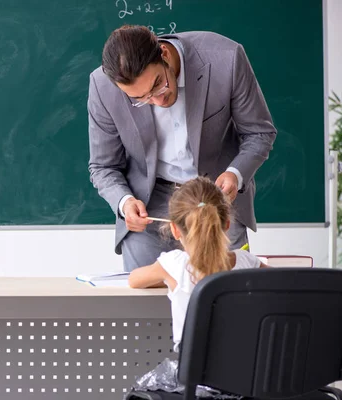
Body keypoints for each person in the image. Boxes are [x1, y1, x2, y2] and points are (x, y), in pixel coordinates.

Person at [87, 25, 277, 272]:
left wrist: (236, 174)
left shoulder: (226, 59)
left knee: (229, 298)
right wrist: (124, 202)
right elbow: (103, 166)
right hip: (149, 207)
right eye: (141, 99)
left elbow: (259, 133)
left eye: (158, 85)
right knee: (145, 304)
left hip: (214, 200)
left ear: (164, 53)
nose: (157, 101)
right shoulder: (102, 87)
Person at [128, 176, 268, 353]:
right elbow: (281, 281)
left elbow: (134, 279)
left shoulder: (173, 264)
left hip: (193, 378)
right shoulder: (247, 262)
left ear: (174, 229)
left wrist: (165, 277)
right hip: (244, 373)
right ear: (226, 224)